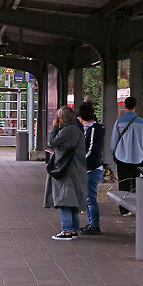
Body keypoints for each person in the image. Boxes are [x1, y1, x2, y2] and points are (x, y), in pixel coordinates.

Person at [45, 106, 88, 241]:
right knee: (73, 200)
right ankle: (74, 229)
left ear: (61, 118)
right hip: (76, 168)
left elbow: (51, 143)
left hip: (66, 169)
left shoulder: (68, 130)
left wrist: (54, 128)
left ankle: (67, 230)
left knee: (64, 199)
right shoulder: (77, 128)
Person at [110, 97, 143, 215]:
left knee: (124, 183)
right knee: (136, 183)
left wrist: (114, 154)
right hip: (138, 157)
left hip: (121, 157)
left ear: (125, 106)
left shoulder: (119, 121)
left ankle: (124, 209)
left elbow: (114, 141)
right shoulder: (141, 122)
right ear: (135, 106)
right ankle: (135, 208)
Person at [77, 102, 105, 236]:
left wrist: (81, 161)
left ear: (81, 117)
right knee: (88, 198)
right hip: (90, 167)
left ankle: (94, 225)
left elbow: (91, 150)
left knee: (90, 198)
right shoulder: (89, 129)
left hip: (91, 168)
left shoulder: (93, 129)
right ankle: (91, 223)